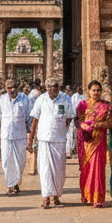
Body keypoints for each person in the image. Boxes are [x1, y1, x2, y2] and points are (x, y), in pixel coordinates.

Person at [28, 77, 73, 209]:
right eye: (49, 86)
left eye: (55, 86)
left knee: (59, 170)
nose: (52, 88)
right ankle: (46, 196)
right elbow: (35, 120)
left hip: (59, 139)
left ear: (59, 87)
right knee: (45, 169)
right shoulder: (41, 99)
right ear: (45, 87)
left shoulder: (65, 99)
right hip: (44, 139)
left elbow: (69, 118)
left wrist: (62, 129)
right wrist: (31, 138)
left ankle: (56, 195)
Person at [76, 80, 112, 208]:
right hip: (86, 141)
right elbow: (78, 120)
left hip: (99, 140)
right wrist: (84, 126)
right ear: (89, 91)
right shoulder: (82, 104)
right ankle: (86, 196)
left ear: (101, 91)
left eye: (98, 90)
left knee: (97, 167)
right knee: (87, 168)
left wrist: (96, 125)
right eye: (93, 90)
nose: (96, 93)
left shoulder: (107, 106)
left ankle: (97, 198)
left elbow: (109, 123)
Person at [0, 79, 31, 195]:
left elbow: (30, 118)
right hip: (6, 135)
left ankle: (16, 181)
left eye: (14, 87)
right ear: (6, 89)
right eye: (9, 88)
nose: (12, 90)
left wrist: (31, 136)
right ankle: (11, 185)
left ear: (18, 87)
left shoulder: (24, 99)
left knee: (20, 162)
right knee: (7, 161)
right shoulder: (1, 100)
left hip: (20, 135)